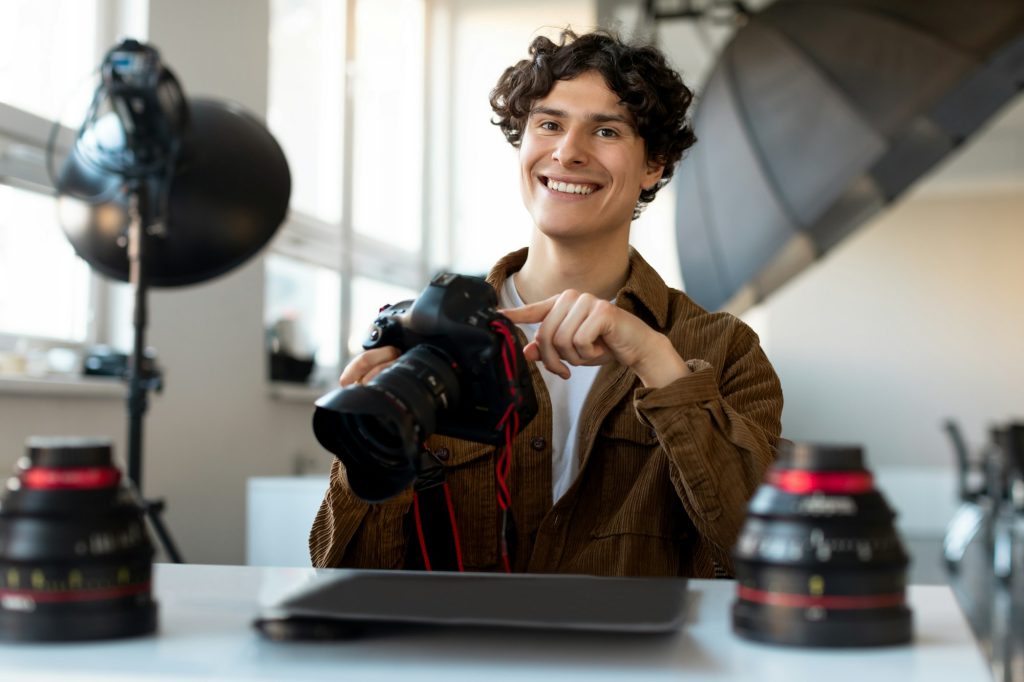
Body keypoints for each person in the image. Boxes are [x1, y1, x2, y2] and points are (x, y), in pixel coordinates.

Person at [309, 28, 783, 578]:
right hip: (465, 658)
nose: (568, 152)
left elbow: (765, 553)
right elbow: (347, 574)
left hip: (640, 664)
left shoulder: (726, 349)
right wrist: (368, 452)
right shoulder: (426, 338)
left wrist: (659, 364)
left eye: (605, 130)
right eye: (549, 124)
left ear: (654, 165)